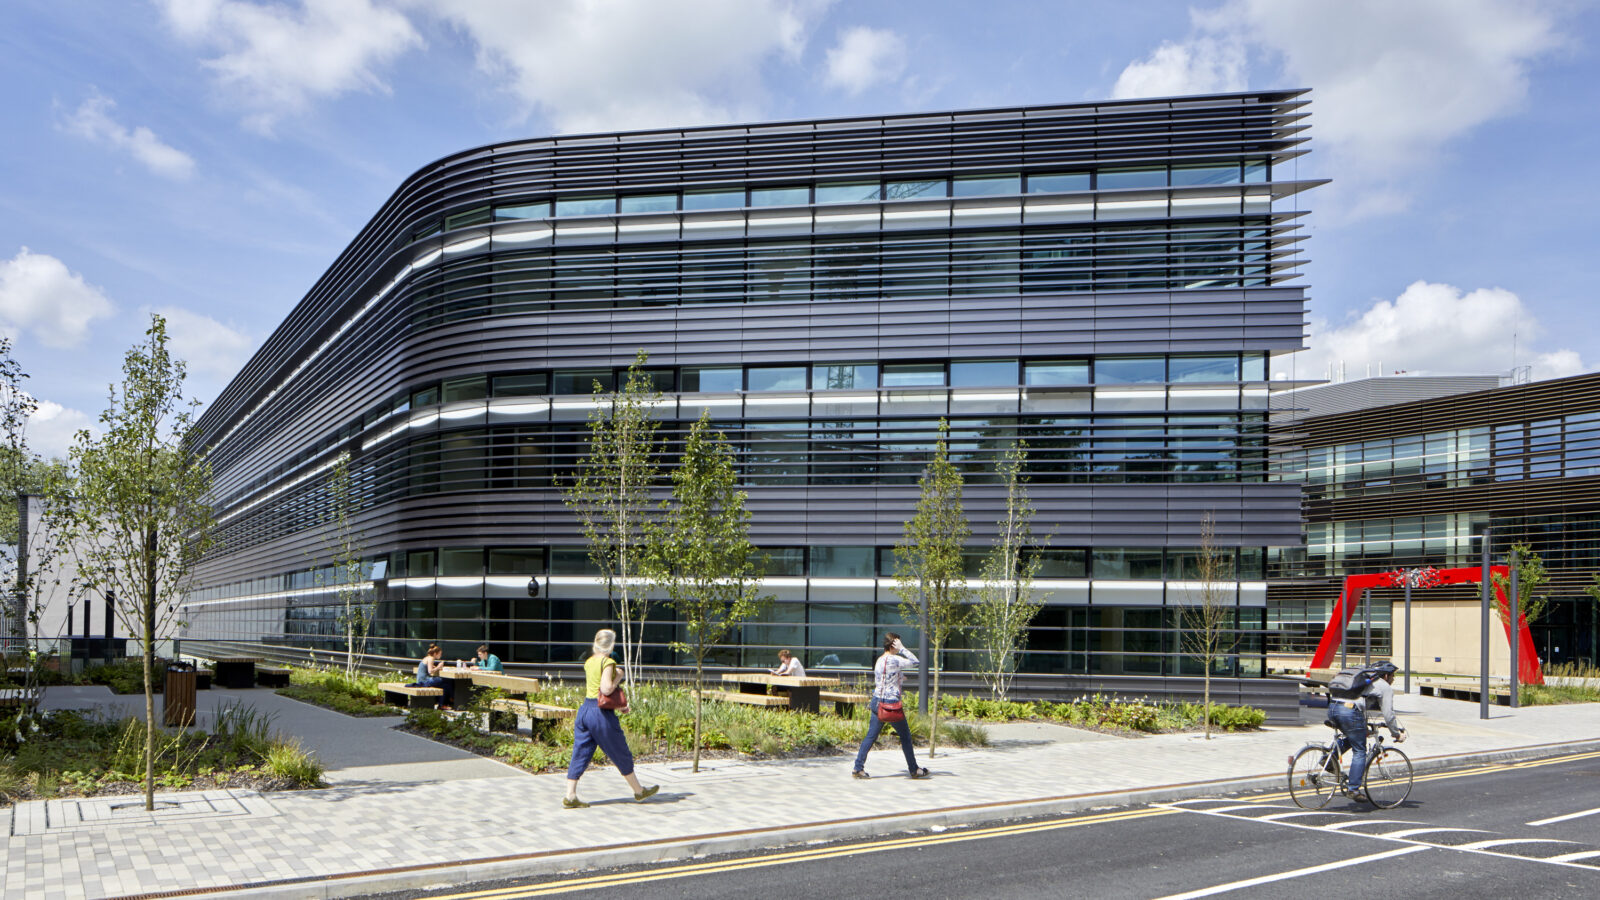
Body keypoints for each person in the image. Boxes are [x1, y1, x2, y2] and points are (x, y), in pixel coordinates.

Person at [563, 628, 660, 809]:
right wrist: (618, 678)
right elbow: (606, 690)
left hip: (585, 711)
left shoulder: (589, 662)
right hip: (600, 714)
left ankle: (570, 795)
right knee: (619, 750)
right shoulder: (607, 662)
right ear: (610, 645)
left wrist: (620, 704)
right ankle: (639, 791)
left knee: (581, 751)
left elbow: (596, 691)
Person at [852, 632, 929, 780]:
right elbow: (916, 662)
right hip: (890, 704)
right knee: (905, 736)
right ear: (894, 644)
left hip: (876, 702)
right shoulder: (894, 659)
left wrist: (899, 677)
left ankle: (858, 768)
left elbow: (885, 678)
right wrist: (903, 648)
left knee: (870, 736)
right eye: (898, 643)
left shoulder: (880, 660)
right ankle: (914, 770)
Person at [1329, 660, 1407, 800]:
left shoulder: (1366, 681)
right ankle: (1353, 789)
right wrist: (1396, 733)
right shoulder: (1384, 686)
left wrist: (1364, 727)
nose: (1393, 679)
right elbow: (1389, 715)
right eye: (1392, 676)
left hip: (1333, 707)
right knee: (1360, 750)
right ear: (1385, 676)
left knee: (1355, 736)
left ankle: (1328, 761)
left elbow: (1360, 702)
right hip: (1349, 712)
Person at [415, 643, 454, 710]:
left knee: (444, 686)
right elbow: (430, 671)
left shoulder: (426, 658)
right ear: (435, 653)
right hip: (425, 681)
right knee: (448, 680)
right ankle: (452, 698)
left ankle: (441, 705)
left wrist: (437, 668)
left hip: (422, 680)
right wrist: (438, 667)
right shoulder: (431, 658)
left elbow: (431, 668)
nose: (441, 655)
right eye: (440, 654)